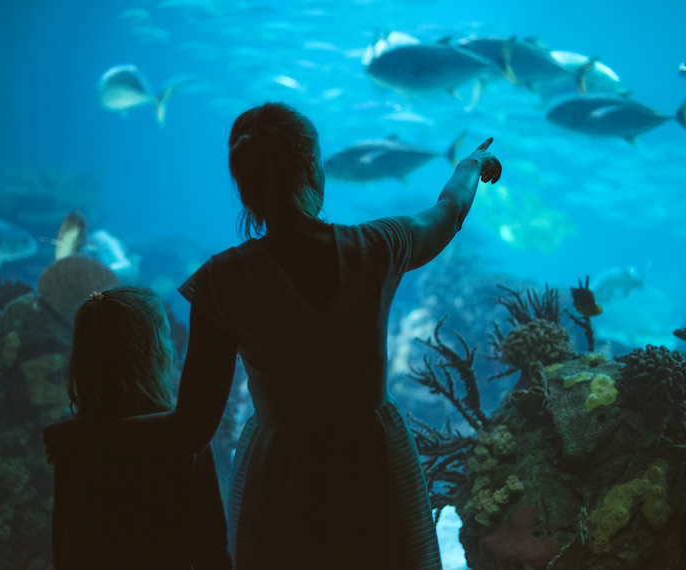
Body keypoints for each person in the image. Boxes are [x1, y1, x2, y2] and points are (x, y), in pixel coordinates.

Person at [50, 102, 501, 569]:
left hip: (285, 478)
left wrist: (88, 435)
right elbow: (447, 212)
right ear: (313, 170)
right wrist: (470, 165)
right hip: (372, 466)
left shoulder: (222, 281)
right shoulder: (378, 247)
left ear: (245, 191)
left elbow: (190, 429)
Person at [42, 285, 233, 570]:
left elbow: (66, 542)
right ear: (152, 351)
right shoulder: (183, 439)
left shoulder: (70, 440)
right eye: (166, 336)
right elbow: (212, 548)